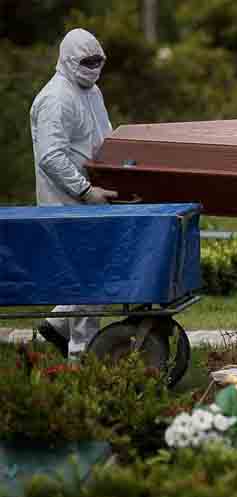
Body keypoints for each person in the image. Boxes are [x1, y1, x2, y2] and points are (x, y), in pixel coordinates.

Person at [30, 28, 117, 358]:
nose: (93, 66)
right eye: (87, 61)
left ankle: (56, 325)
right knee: (87, 279)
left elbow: (101, 136)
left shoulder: (91, 91)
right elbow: (51, 156)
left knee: (97, 271)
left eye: (98, 60)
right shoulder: (55, 99)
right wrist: (85, 190)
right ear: (68, 61)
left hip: (91, 197)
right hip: (66, 202)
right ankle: (81, 356)